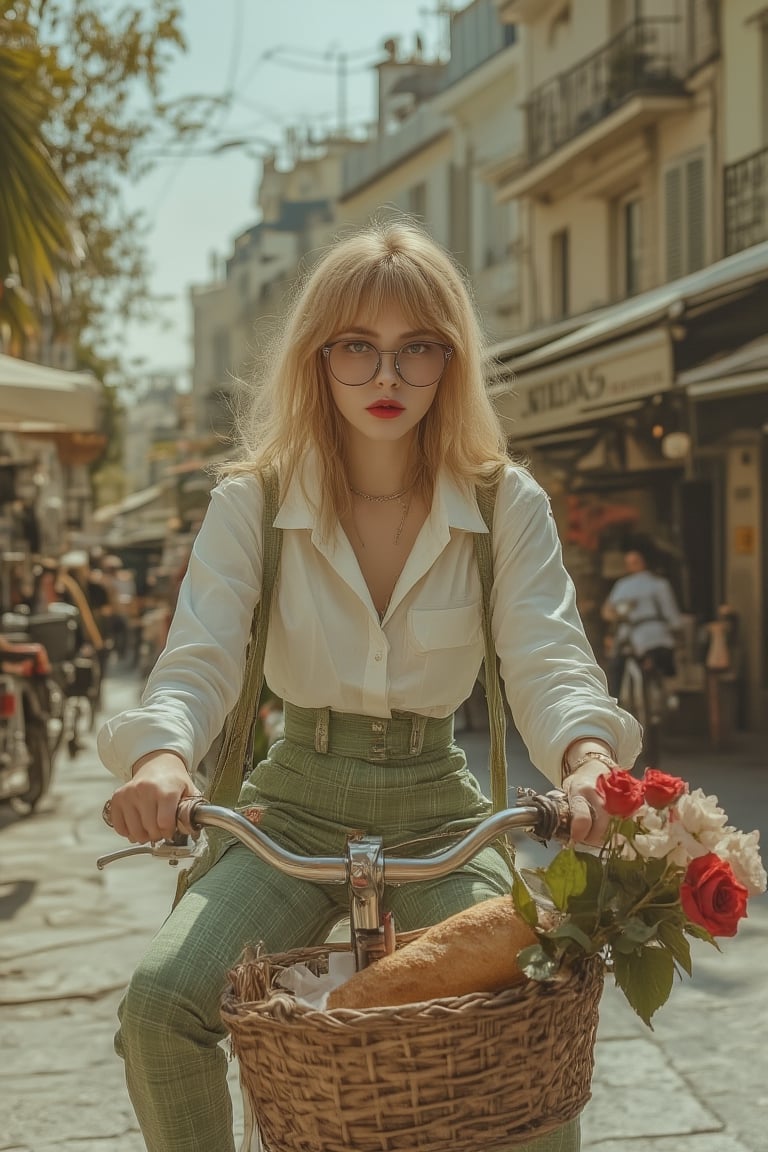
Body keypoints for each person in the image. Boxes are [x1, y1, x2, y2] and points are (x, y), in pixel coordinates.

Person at [98, 219, 642, 1152]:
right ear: (319, 358)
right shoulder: (254, 502)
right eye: (358, 348)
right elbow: (200, 657)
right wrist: (161, 760)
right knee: (159, 1007)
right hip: (289, 808)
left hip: (440, 807)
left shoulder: (504, 500)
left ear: (451, 361)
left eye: (416, 349)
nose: (386, 378)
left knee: (539, 1006)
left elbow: (547, 652)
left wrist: (590, 763)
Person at [601, 545, 682, 697]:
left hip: (628, 637)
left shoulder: (622, 586)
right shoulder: (659, 584)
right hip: (656, 636)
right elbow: (672, 616)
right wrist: (676, 630)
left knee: (615, 667)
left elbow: (607, 612)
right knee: (667, 669)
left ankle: (614, 702)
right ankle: (671, 696)